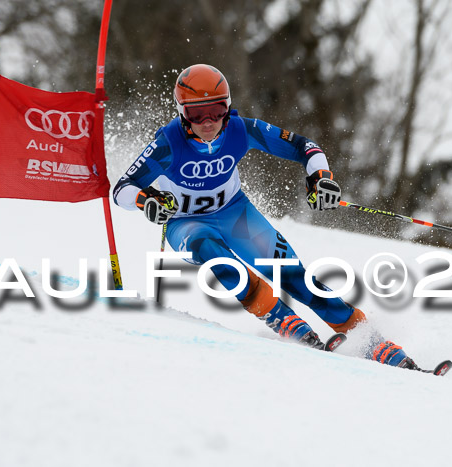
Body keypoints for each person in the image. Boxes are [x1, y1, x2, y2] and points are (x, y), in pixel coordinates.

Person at [113, 64, 416, 369]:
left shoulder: (239, 130)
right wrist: (145, 200)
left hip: (235, 213)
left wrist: (320, 177)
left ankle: (372, 341)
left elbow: (305, 146)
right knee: (213, 252)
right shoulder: (168, 143)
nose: (208, 122)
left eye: (217, 111)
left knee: (294, 276)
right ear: (182, 113)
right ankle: (283, 319)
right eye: (196, 114)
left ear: (228, 108)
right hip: (186, 222)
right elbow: (122, 189)